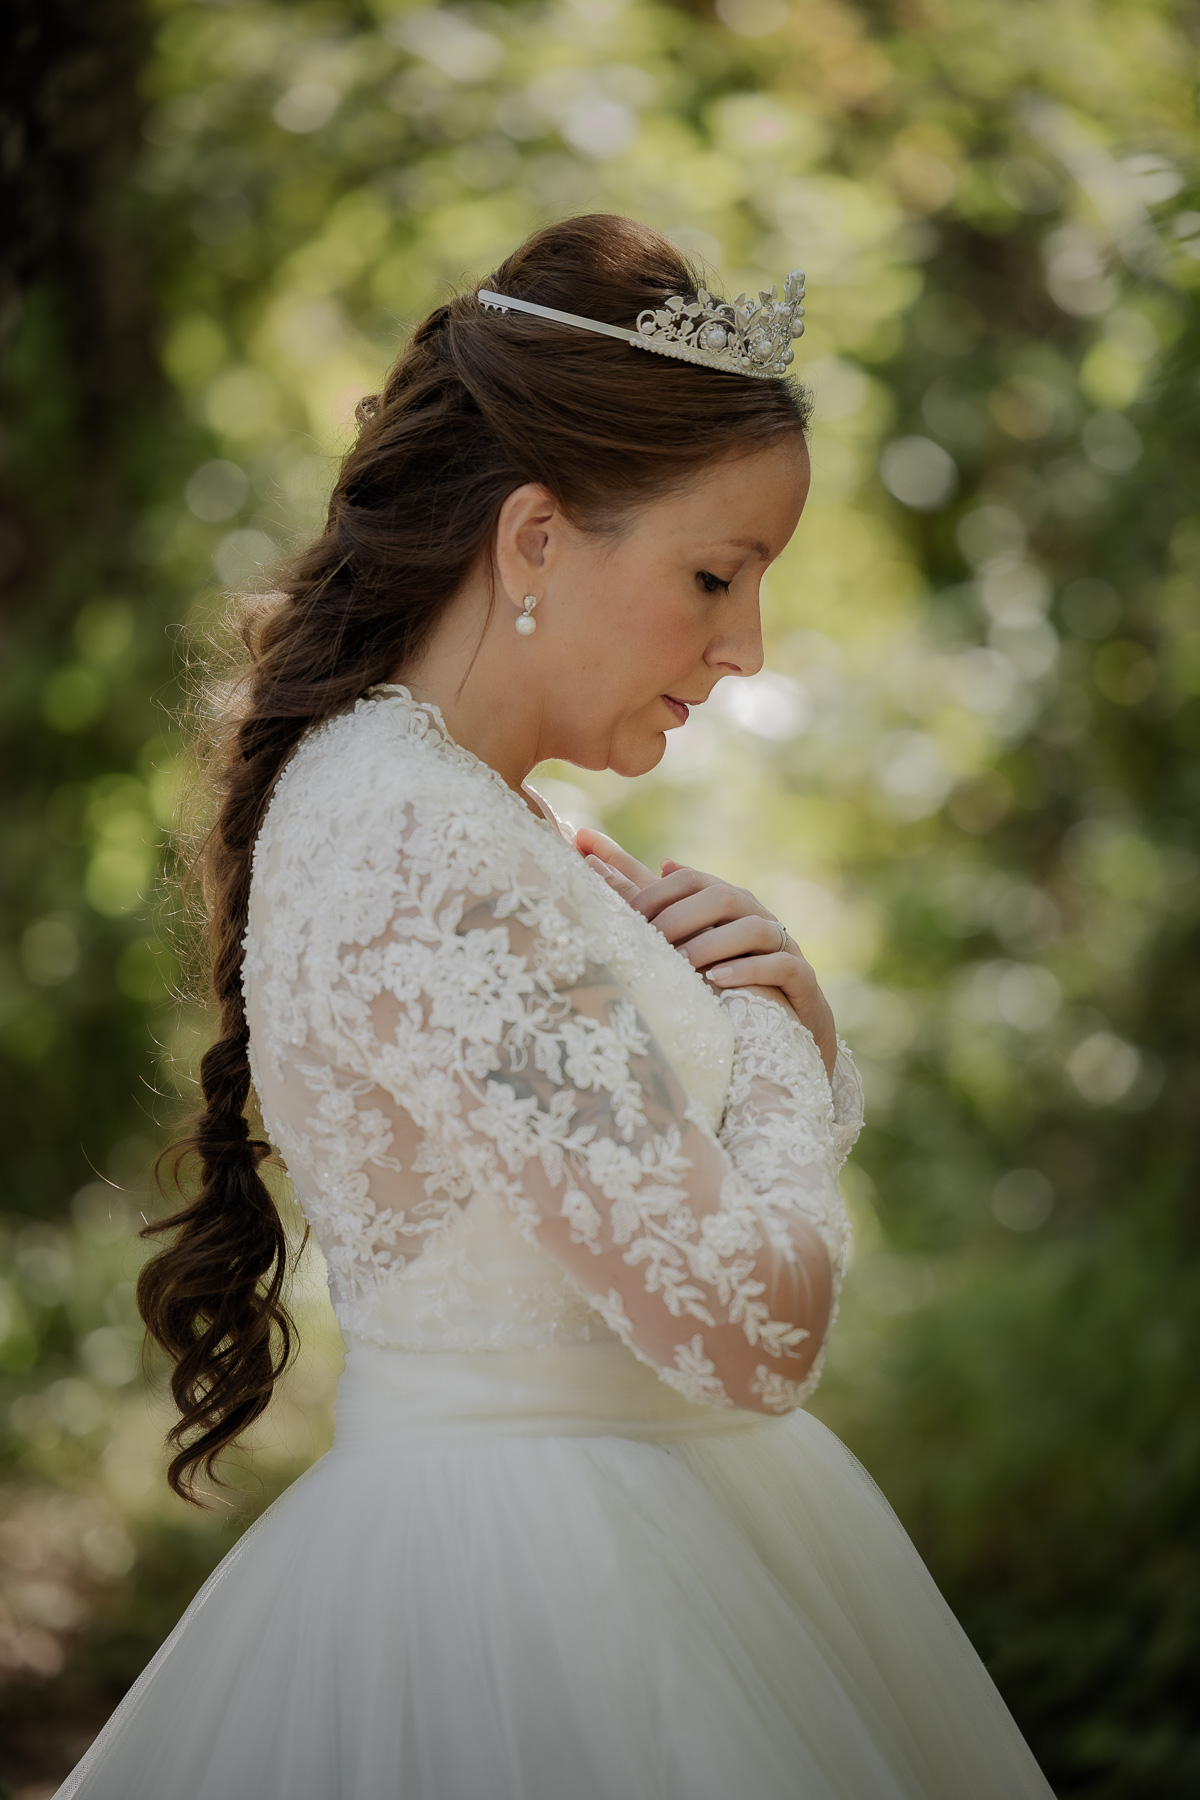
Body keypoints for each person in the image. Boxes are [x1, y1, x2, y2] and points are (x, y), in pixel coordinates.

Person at [56, 214, 1052, 1799]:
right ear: (534, 542)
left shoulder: (456, 812)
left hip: (634, 1524)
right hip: (542, 1590)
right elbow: (749, 1331)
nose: (748, 646)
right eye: (715, 574)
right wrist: (794, 1063)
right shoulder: (417, 839)